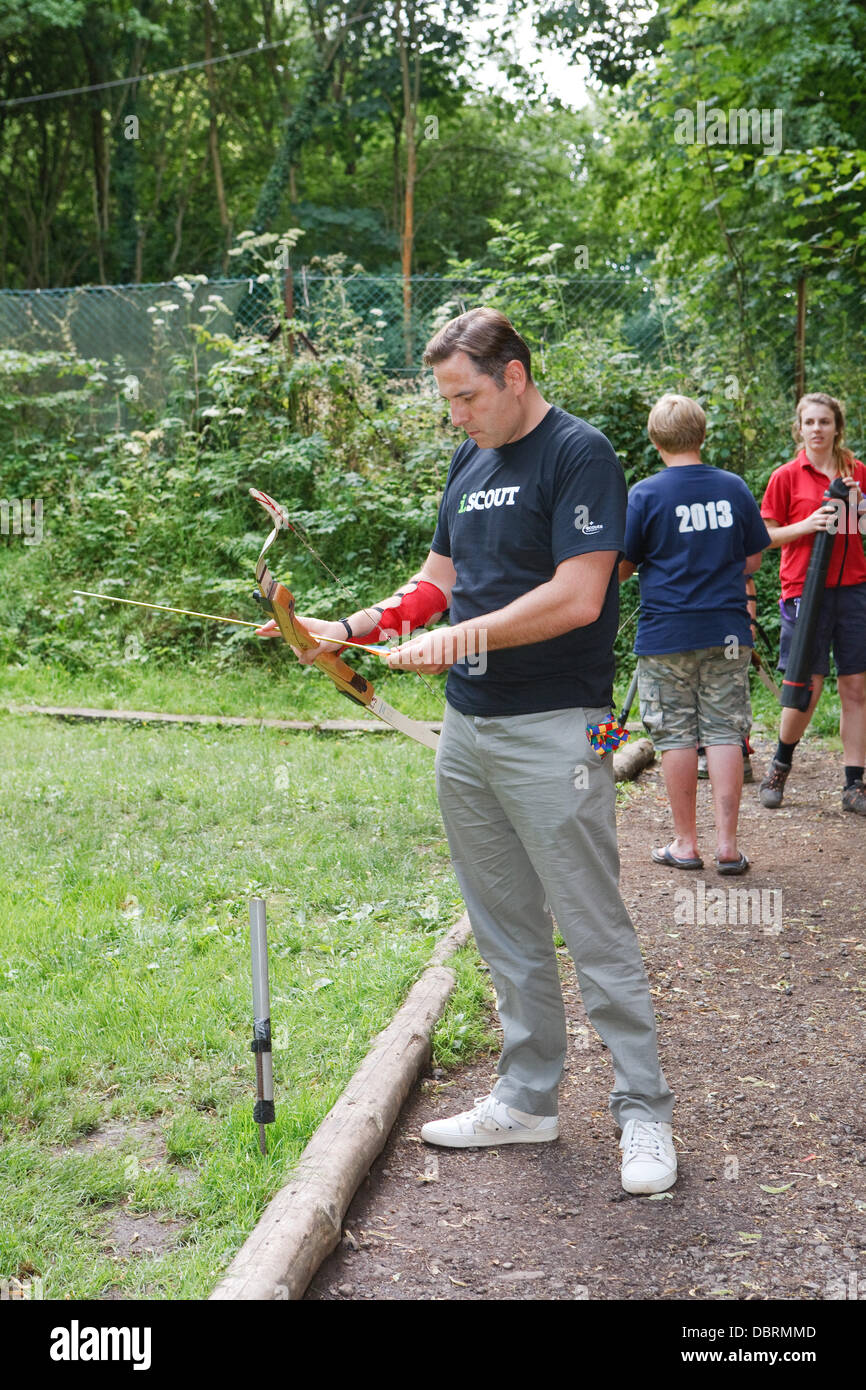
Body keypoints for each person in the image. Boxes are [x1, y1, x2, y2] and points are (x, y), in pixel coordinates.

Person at [288, 308, 677, 1194]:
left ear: (514, 376)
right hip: (468, 732)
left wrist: (463, 641)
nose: (456, 416)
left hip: (558, 725)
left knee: (591, 924)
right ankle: (528, 1099)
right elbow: (438, 581)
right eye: (447, 400)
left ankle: (644, 1112)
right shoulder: (469, 460)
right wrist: (348, 629)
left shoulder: (582, 455)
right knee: (504, 924)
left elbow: (579, 596)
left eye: (466, 396)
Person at [618, 394, 770, 874]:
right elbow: (753, 560)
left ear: (654, 440)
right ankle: (728, 847)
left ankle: (686, 844)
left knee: (675, 735)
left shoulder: (644, 494)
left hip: (667, 635)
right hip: (727, 631)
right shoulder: (734, 487)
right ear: (703, 435)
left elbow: (622, 567)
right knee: (725, 731)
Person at [758, 392, 866, 813]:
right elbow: (764, 537)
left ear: (837, 427)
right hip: (803, 589)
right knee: (808, 685)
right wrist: (807, 523)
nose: (817, 429)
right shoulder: (785, 476)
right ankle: (780, 764)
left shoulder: (857, 471)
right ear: (799, 428)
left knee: (856, 686)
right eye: (810, 422)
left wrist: (857, 507)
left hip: (853, 587)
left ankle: (854, 783)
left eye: (825, 422)